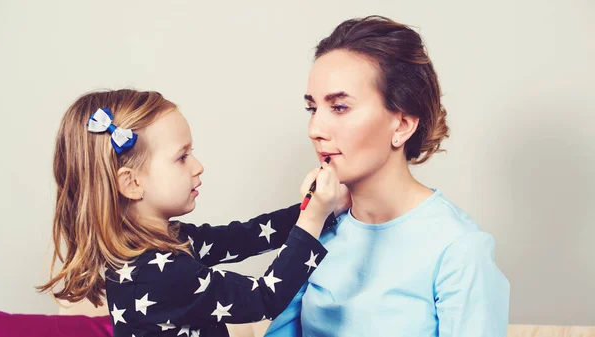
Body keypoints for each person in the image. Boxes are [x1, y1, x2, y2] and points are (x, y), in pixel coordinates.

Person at [265, 15, 510, 337]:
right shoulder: (318, 225)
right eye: (312, 109)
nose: (315, 130)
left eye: (339, 107)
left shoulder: (458, 248)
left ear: (403, 125)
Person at [37, 89, 350, 337]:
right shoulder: (157, 275)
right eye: (182, 157)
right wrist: (311, 219)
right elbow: (263, 298)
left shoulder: (165, 241)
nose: (198, 166)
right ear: (132, 183)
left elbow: (243, 237)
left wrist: (321, 207)